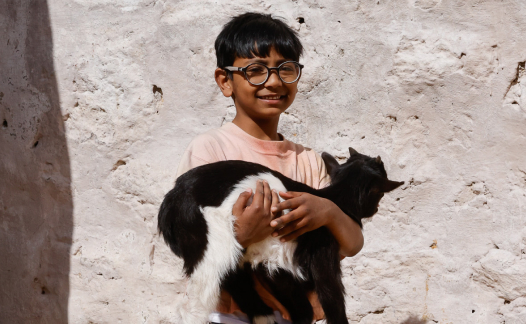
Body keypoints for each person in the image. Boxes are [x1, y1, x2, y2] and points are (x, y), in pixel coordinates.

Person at [175, 12, 364, 324]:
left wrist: (328, 212)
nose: (274, 81)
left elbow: (352, 243)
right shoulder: (210, 151)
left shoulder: (307, 160)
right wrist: (241, 234)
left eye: (286, 69)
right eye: (256, 71)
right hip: (228, 314)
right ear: (225, 81)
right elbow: (192, 246)